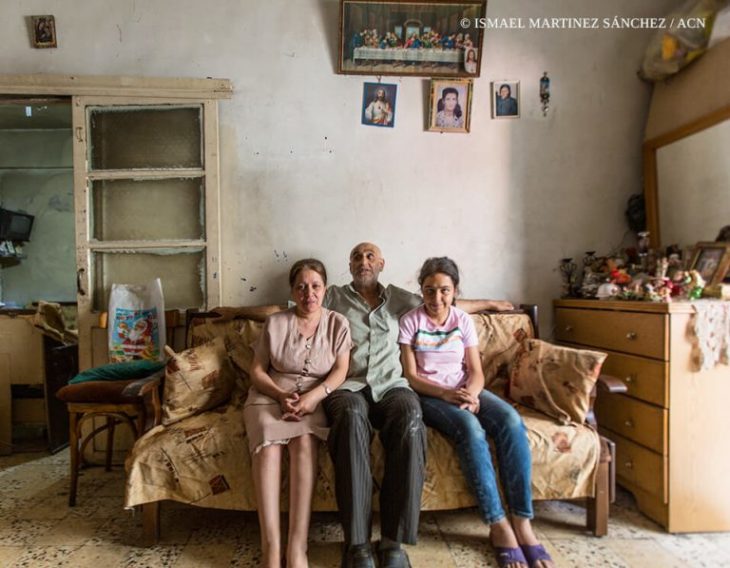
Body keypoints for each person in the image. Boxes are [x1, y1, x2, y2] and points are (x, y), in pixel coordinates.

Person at [322, 242, 513, 568]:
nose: (363, 261)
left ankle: (393, 542)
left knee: (411, 416)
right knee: (351, 416)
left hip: (393, 386)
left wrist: (492, 303)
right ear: (349, 264)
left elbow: (444, 300)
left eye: (370, 256)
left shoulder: (401, 299)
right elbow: (292, 307)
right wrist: (233, 310)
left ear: (381, 264)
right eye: (356, 256)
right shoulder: (331, 296)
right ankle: (357, 545)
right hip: (348, 385)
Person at [398, 257, 553, 568]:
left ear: (455, 291)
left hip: (465, 388)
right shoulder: (411, 321)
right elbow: (412, 377)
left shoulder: (462, 320)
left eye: (444, 290)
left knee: (511, 421)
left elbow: (476, 371)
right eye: (429, 290)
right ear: (421, 291)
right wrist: (447, 394)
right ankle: (498, 524)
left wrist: (470, 393)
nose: (436, 298)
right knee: (470, 429)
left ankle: (522, 521)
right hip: (430, 395)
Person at [243, 258, 352, 568]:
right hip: (269, 397)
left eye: (315, 286)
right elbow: (257, 371)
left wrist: (313, 398)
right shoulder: (275, 322)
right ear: (292, 291)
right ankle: (270, 549)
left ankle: (297, 548)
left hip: (313, 400)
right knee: (268, 445)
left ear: (325, 289)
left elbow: (341, 371)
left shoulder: (338, 323)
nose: (309, 294)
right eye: (301, 287)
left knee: (304, 442)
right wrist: (280, 396)